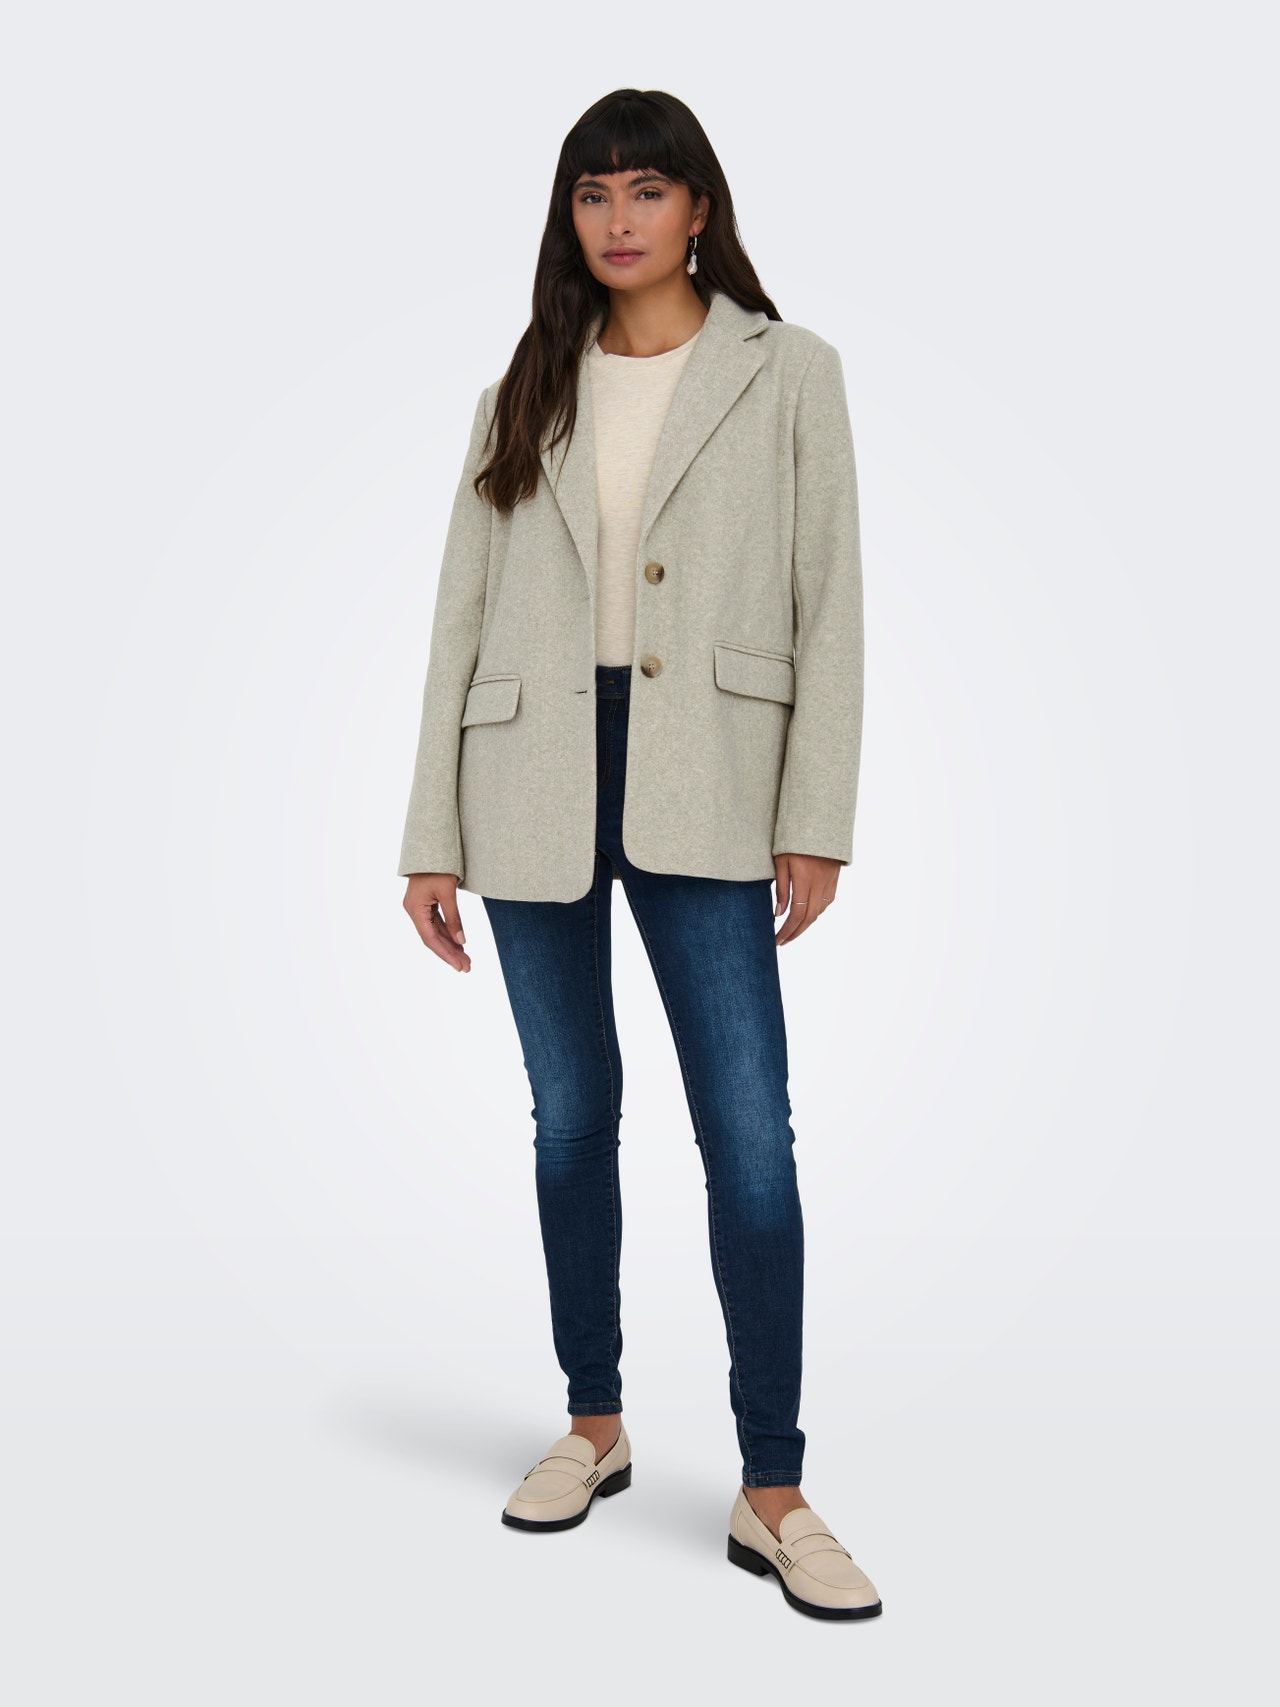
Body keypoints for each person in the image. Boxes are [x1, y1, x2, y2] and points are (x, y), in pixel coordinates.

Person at [398, 87, 880, 1621]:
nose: (619, 220)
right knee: (570, 1120)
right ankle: (593, 1421)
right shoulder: (526, 385)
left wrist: (814, 815)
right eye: (594, 193)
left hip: (709, 773)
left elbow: (829, 601)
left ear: (698, 208)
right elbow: (460, 613)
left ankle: (772, 1487)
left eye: (647, 191)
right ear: (572, 215)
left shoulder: (787, 370)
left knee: (749, 1138)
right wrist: (429, 834)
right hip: (528, 770)